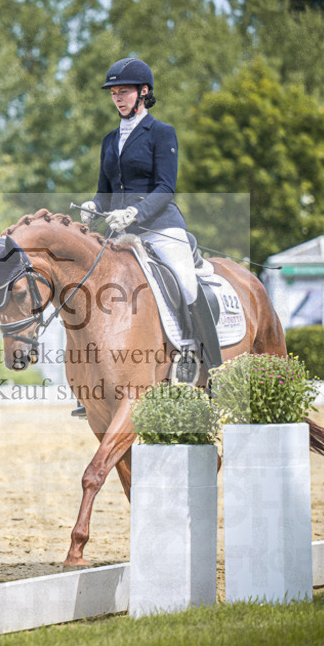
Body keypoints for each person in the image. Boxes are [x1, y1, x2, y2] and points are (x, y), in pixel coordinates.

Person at [74, 58, 218, 415]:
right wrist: (94, 206)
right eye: (114, 93)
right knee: (89, 288)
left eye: (123, 92)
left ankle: (209, 367)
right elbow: (105, 191)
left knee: (186, 284)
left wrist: (135, 212)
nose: (117, 98)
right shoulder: (110, 140)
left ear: (144, 92)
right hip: (120, 232)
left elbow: (166, 187)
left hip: (161, 227)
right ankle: (90, 382)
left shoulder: (161, 133)